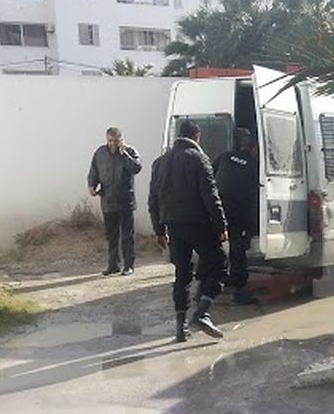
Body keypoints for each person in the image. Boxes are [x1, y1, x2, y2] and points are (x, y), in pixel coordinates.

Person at [148, 120, 229, 341]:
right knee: (220, 263)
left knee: (182, 274)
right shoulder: (199, 158)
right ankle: (202, 312)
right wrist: (221, 225)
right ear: (197, 137)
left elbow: (153, 199)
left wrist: (159, 230)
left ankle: (180, 328)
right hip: (198, 223)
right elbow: (210, 195)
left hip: (173, 226)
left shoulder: (160, 162)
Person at [87, 127, 142, 276]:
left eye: (116, 141)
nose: (112, 144)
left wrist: (124, 154)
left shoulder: (130, 152)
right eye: (110, 141)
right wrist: (92, 185)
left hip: (125, 200)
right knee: (111, 235)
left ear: (121, 140)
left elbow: (136, 168)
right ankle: (113, 265)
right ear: (106, 139)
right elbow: (94, 171)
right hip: (107, 200)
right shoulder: (100, 153)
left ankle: (128, 265)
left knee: (127, 236)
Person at [214, 129, 260, 305]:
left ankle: (207, 288)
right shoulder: (253, 165)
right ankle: (239, 292)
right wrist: (252, 227)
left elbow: (210, 176)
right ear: (254, 148)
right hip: (238, 213)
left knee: (214, 248)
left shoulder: (225, 156)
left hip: (218, 210)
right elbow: (254, 195)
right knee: (238, 251)